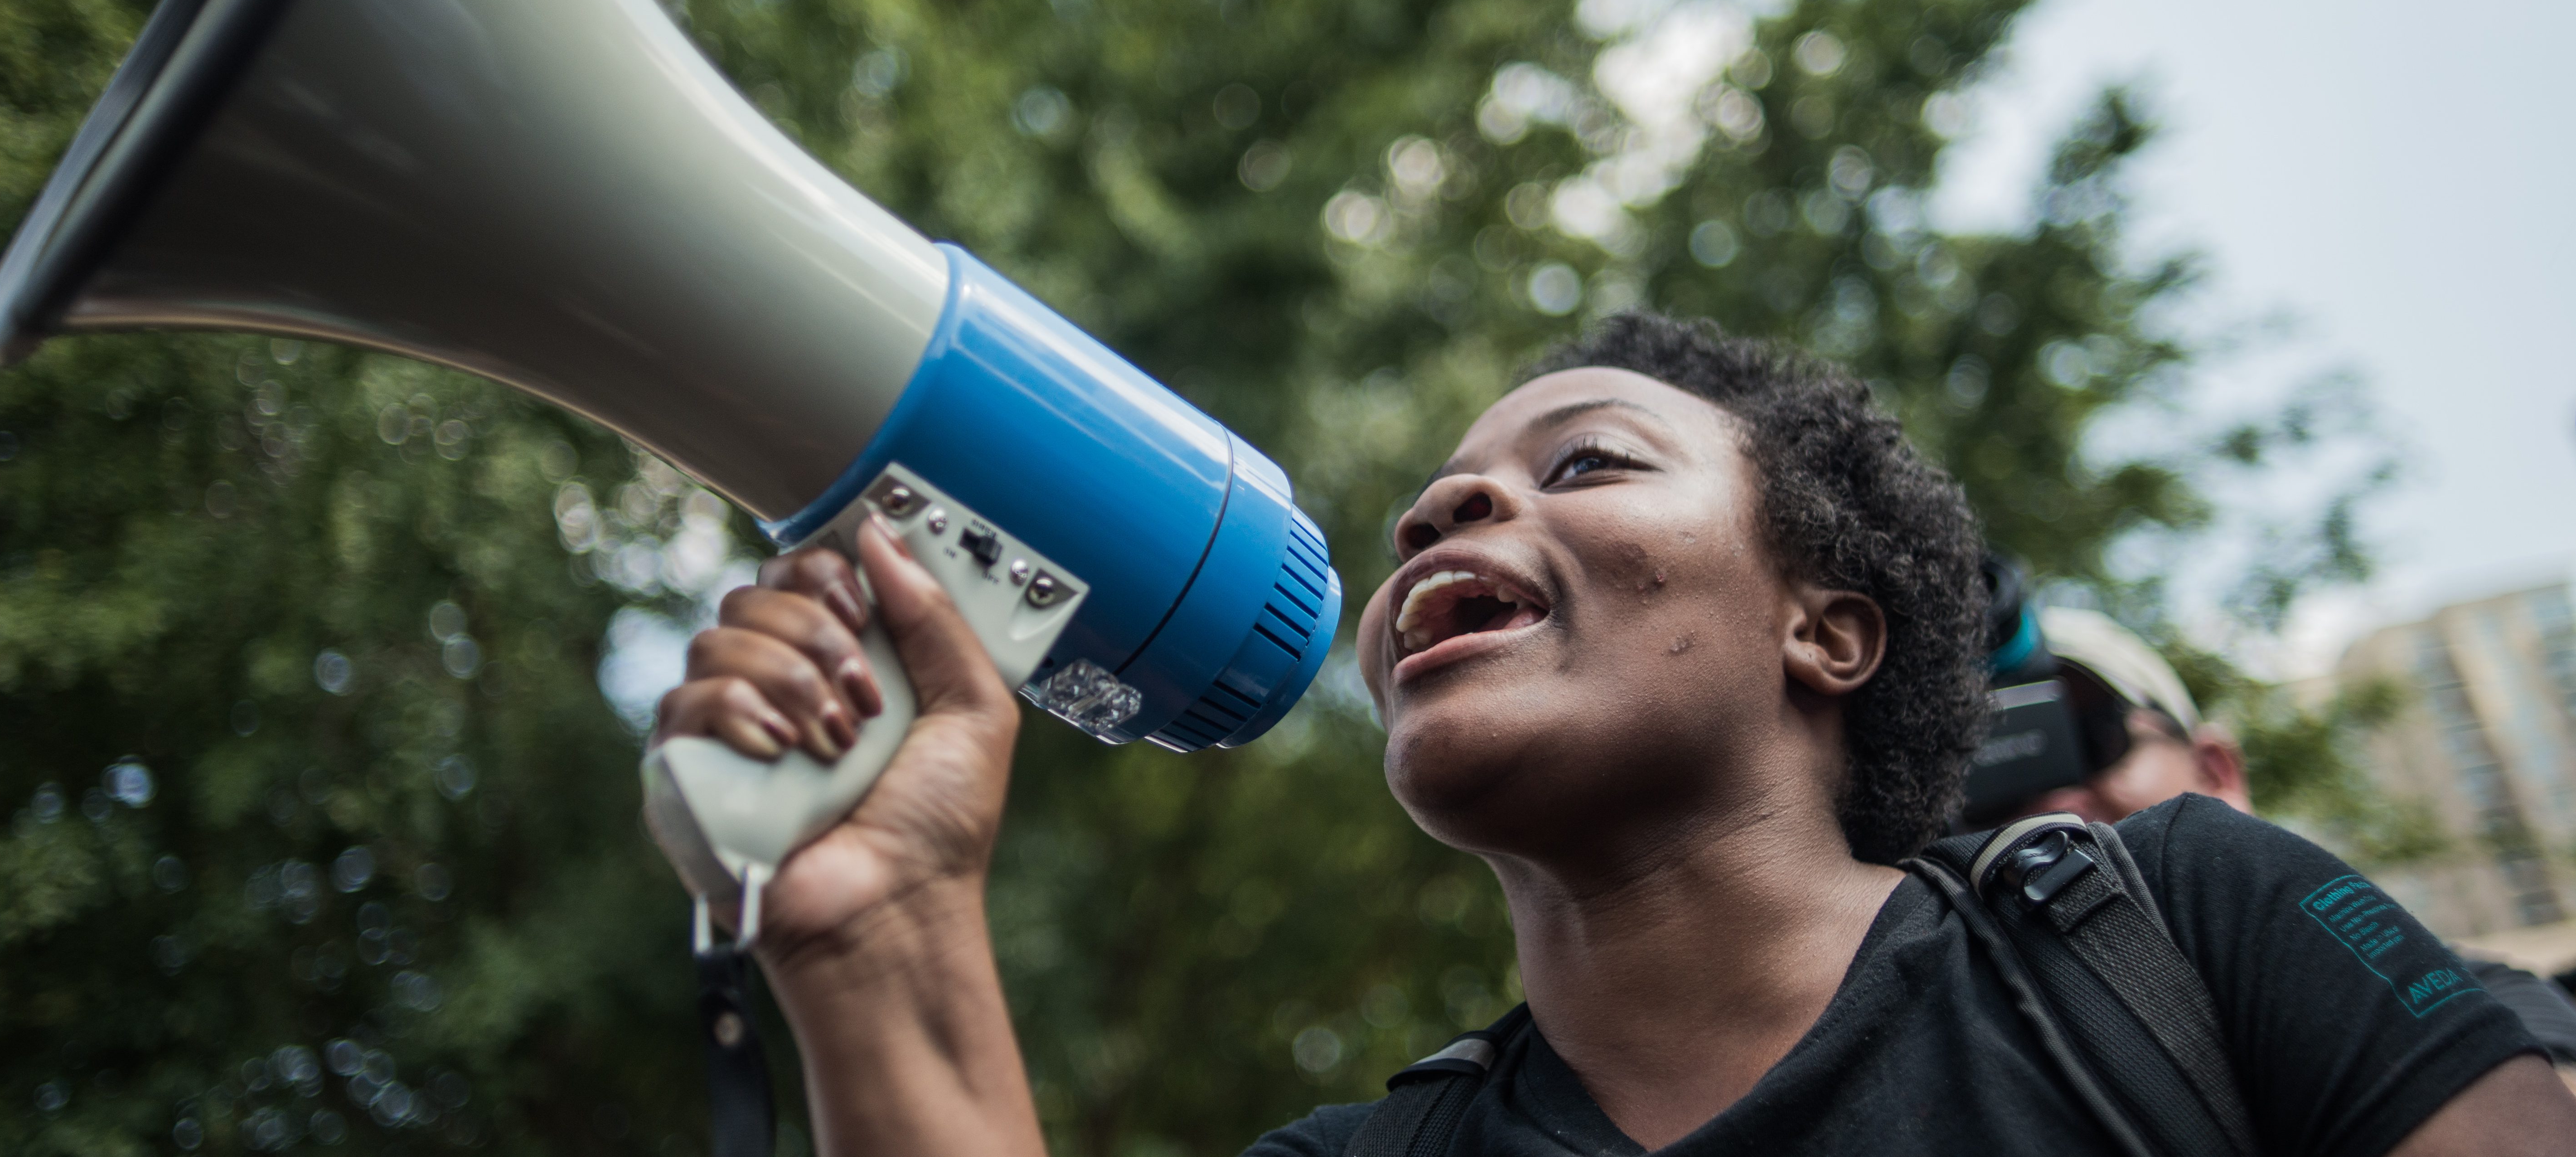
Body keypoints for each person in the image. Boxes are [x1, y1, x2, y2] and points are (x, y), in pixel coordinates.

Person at [655, 312, 2576, 1155]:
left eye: (1581, 462)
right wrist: (885, 926)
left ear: (1824, 622)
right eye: (1434, 498)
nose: (1438, 517)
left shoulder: (2172, 934)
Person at [1988, 602, 2576, 1088]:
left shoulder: (2467, 1002)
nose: (2047, 806)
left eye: (2090, 742)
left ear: (2217, 771)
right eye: (1990, 780)